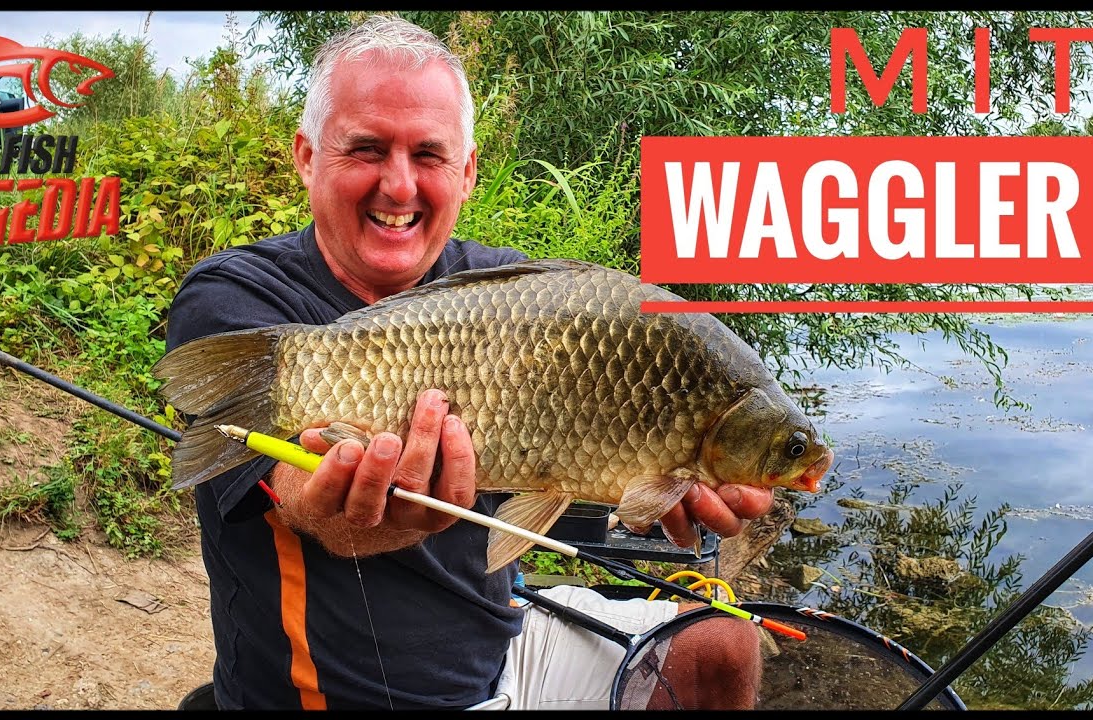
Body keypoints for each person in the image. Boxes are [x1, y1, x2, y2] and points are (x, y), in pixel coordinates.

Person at [164, 14, 773, 711]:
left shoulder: (507, 292)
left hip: (503, 644)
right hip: (345, 695)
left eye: (428, 155)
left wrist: (655, 483)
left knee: (723, 647)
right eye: (366, 149)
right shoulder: (235, 300)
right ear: (306, 156)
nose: (399, 187)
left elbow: (583, 459)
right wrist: (365, 510)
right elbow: (304, 504)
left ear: (468, 170)